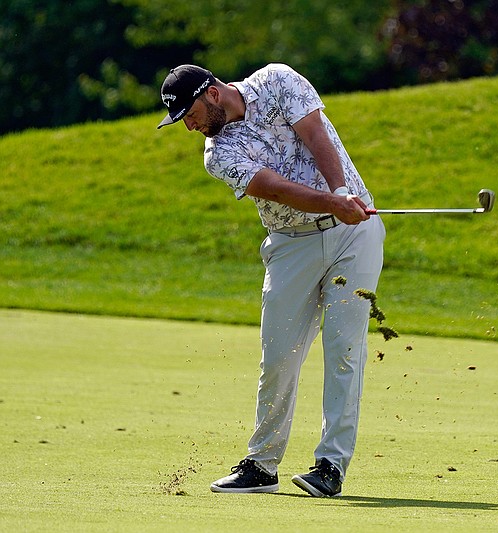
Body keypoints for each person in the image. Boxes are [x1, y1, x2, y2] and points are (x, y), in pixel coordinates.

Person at [157, 63, 385, 497]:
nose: (189, 127)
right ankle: (262, 466)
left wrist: (339, 195)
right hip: (290, 244)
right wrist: (330, 204)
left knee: (343, 350)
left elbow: (316, 134)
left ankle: (331, 466)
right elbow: (274, 188)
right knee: (279, 356)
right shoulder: (217, 153)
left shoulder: (278, 80)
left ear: (212, 94)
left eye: (190, 114)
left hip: (353, 235)